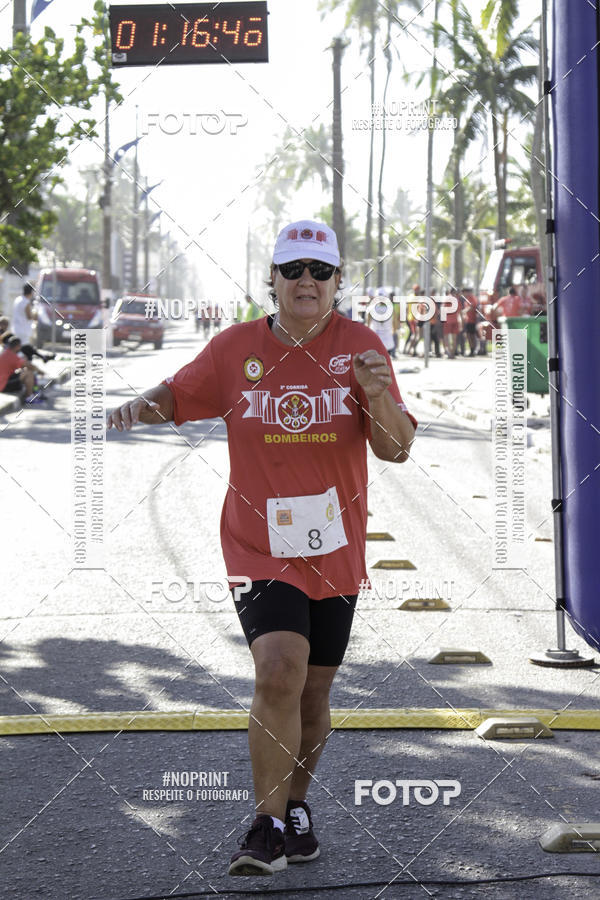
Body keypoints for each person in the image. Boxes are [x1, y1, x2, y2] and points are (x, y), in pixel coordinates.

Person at [107, 219, 417, 878]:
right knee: (279, 669)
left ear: (338, 281)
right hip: (257, 543)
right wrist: (139, 405)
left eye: (320, 271)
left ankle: (296, 808)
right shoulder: (234, 349)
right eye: (293, 269)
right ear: (271, 279)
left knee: (313, 695)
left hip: (335, 545)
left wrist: (379, 394)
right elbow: (181, 394)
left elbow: (395, 448)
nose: (307, 281)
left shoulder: (361, 347)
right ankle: (266, 826)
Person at [442, 287, 462, 358]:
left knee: (446, 337)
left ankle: (449, 352)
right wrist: (461, 323)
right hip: (455, 320)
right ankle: (452, 353)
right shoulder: (457, 299)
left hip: (447, 320)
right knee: (454, 338)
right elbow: (459, 312)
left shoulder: (447, 298)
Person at [460, 287, 479, 357]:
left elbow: (472, 306)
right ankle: (472, 349)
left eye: (464, 293)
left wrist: (464, 311)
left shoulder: (472, 298)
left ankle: (473, 350)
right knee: (469, 335)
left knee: (471, 335)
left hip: (472, 320)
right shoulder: (467, 299)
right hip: (468, 320)